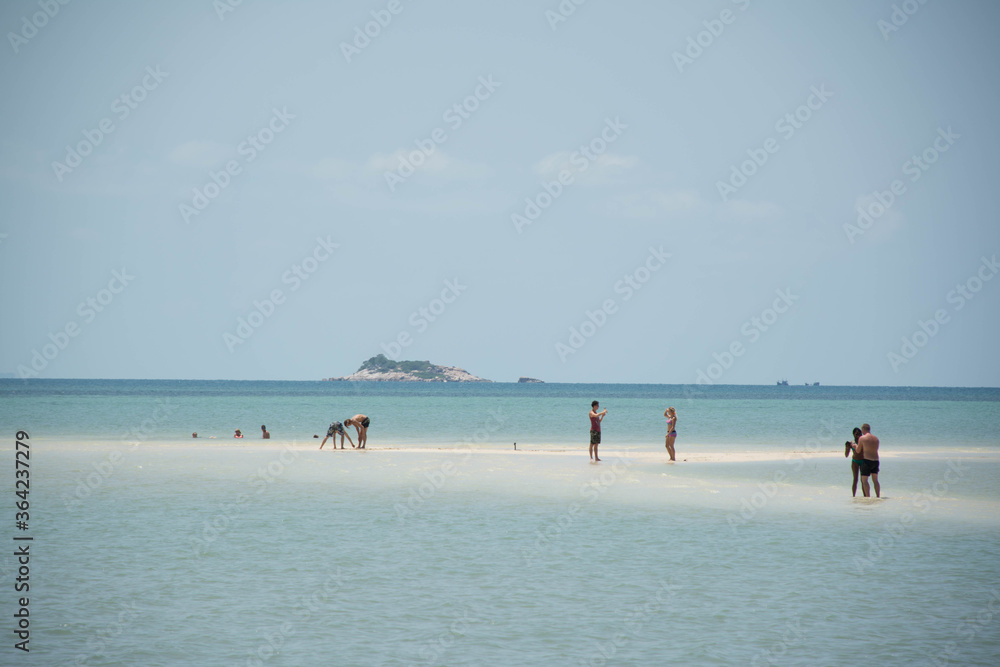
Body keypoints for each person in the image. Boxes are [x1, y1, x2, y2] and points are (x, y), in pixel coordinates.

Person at [852, 423, 880, 498]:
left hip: (867, 461)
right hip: (876, 461)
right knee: (875, 480)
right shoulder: (876, 438)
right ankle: (878, 496)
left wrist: (854, 446)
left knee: (864, 480)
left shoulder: (862, 438)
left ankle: (867, 497)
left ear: (863, 429)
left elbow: (858, 451)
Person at [844, 427, 863, 497]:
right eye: (856, 434)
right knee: (855, 479)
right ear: (853, 434)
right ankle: (853, 496)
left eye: (859, 434)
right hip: (855, 462)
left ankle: (865, 497)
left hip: (863, 461)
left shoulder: (863, 441)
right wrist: (847, 447)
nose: (858, 436)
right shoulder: (851, 443)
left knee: (863, 480)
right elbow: (846, 455)